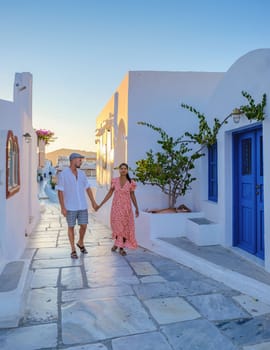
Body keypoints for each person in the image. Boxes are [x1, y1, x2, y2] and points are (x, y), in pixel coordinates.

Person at [57, 153, 98, 259]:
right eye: (80, 160)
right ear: (73, 160)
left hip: (82, 205)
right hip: (70, 206)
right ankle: (73, 249)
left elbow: (88, 188)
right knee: (71, 227)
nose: (81, 161)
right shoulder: (63, 174)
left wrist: (93, 202)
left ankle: (80, 242)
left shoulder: (82, 174)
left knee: (84, 225)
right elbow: (60, 191)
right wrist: (62, 207)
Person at [98, 163, 139, 256]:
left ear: (127, 170)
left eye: (125, 168)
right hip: (116, 208)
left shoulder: (130, 182)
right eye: (121, 168)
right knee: (117, 226)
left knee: (124, 227)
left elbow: (132, 195)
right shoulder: (115, 181)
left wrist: (136, 207)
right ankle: (117, 244)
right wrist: (101, 204)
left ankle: (121, 248)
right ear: (119, 170)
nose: (123, 170)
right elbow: (109, 193)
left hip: (126, 209)